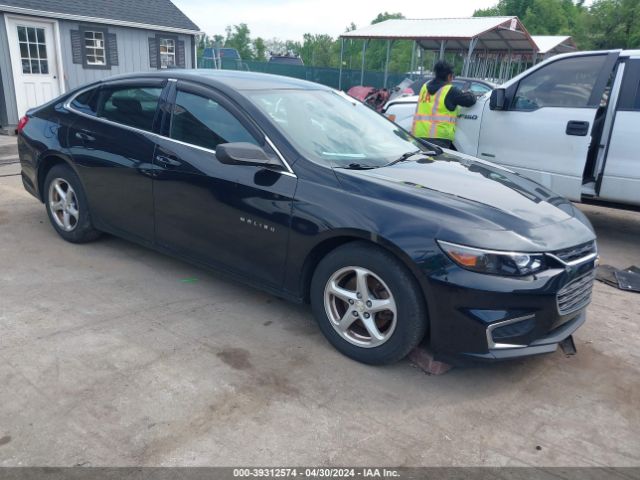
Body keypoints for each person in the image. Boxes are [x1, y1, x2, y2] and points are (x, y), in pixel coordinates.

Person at [411, 60, 476, 149]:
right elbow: (469, 100)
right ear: (449, 76)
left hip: (419, 135)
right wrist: (471, 93)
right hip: (439, 138)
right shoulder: (450, 90)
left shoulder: (424, 88)